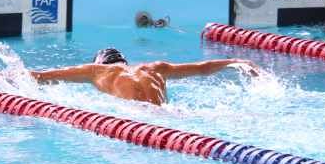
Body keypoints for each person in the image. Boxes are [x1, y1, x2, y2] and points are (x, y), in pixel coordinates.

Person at [30, 48, 261, 105]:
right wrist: (237, 62)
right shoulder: (156, 67)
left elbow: (41, 76)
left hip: (141, 119)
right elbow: (203, 68)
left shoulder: (96, 71)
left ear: (99, 63)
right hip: (172, 116)